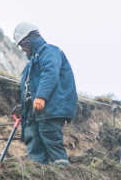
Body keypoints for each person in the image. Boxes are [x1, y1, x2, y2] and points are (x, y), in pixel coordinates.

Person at [13, 22, 77, 166]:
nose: (22, 49)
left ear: (30, 39)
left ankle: (62, 176)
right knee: (33, 142)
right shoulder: (31, 63)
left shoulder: (49, 51)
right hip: (35, 112)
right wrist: (24, 106)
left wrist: (41, 97)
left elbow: (50, 74)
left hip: (50, 109)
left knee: (51, 139)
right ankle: (39, 178)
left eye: (23, 44)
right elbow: (31, 87)